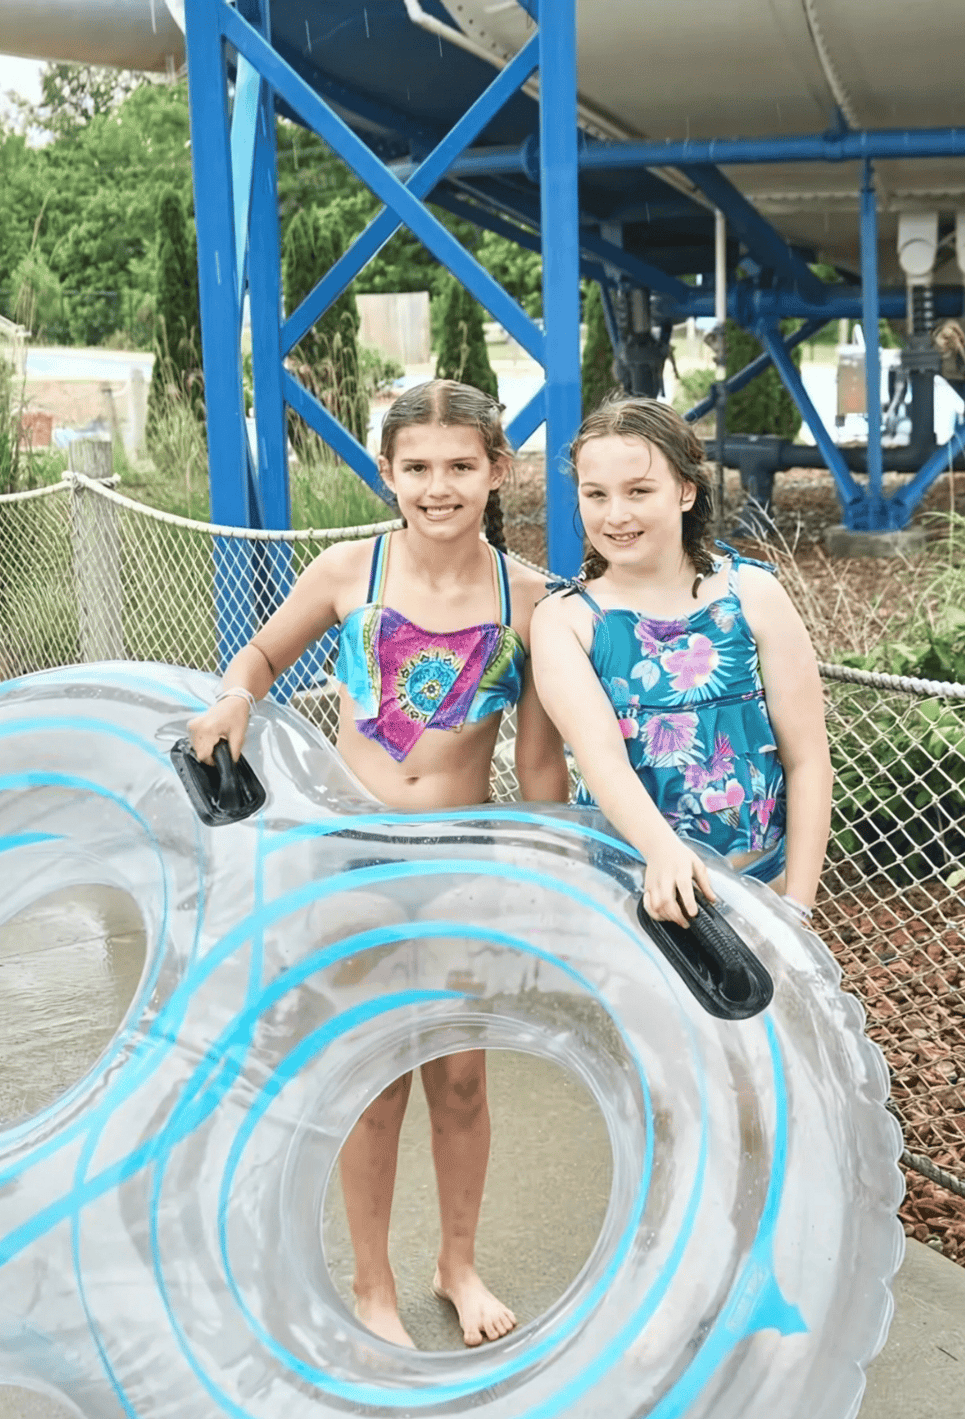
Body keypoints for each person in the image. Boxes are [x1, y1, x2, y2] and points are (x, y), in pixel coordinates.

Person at [188, 379, 568, 1348]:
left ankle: (457, 1265)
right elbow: (258, 658)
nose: (439, 487)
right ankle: (371, 1285)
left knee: (462, 1079)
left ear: (496, 470)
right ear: (387, 474)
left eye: (459, 466)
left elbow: (539, 764)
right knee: (374, 1080)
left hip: (464, 867)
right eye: (418, 468)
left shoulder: (530, 599)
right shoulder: (346, 571)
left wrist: (554, 875)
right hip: (352, 863)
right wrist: (234, 697)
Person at [530, 395, 832, 929]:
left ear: (686, 491)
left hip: (762, 891)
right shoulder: (566, 620)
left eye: (639, 491)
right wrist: (664, 852)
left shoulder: (752, 594)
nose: (615, 515)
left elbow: (808, 760)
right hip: (628, 898)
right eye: (596, 494)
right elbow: (603, 762)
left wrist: (797, 908)